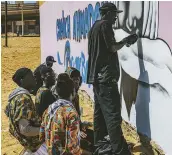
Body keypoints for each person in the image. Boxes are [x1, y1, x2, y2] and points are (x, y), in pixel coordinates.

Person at [87, 3, 138, 155]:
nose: (116, 16)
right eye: (114, 13)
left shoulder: (94, 27)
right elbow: (111, 47)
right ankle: (120, 151)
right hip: (106, 79)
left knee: (100, 115)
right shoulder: (105, 25)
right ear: (107, 13)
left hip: (97, 78)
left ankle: (101, 146)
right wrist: (126, 41)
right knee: (113, 117)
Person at [40, 73, 91, 155]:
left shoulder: (49, 109)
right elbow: (73, 149)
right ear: (73, 92)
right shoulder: (71, 113)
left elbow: (41, 135)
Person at [5, 68, 47, 154]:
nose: (34, 77)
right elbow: (25, 129)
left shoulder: (14, 97)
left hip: (29, 144)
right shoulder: (23, 98)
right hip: (36, 146)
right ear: (22, 80)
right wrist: (46, 130)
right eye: (31, 76)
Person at [65, 67, 94, 151]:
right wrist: (76, 132)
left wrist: (81, 126)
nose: (76, 81)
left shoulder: (75, 95)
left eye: (77, 78)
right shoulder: (65, 98)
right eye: (73, 78)